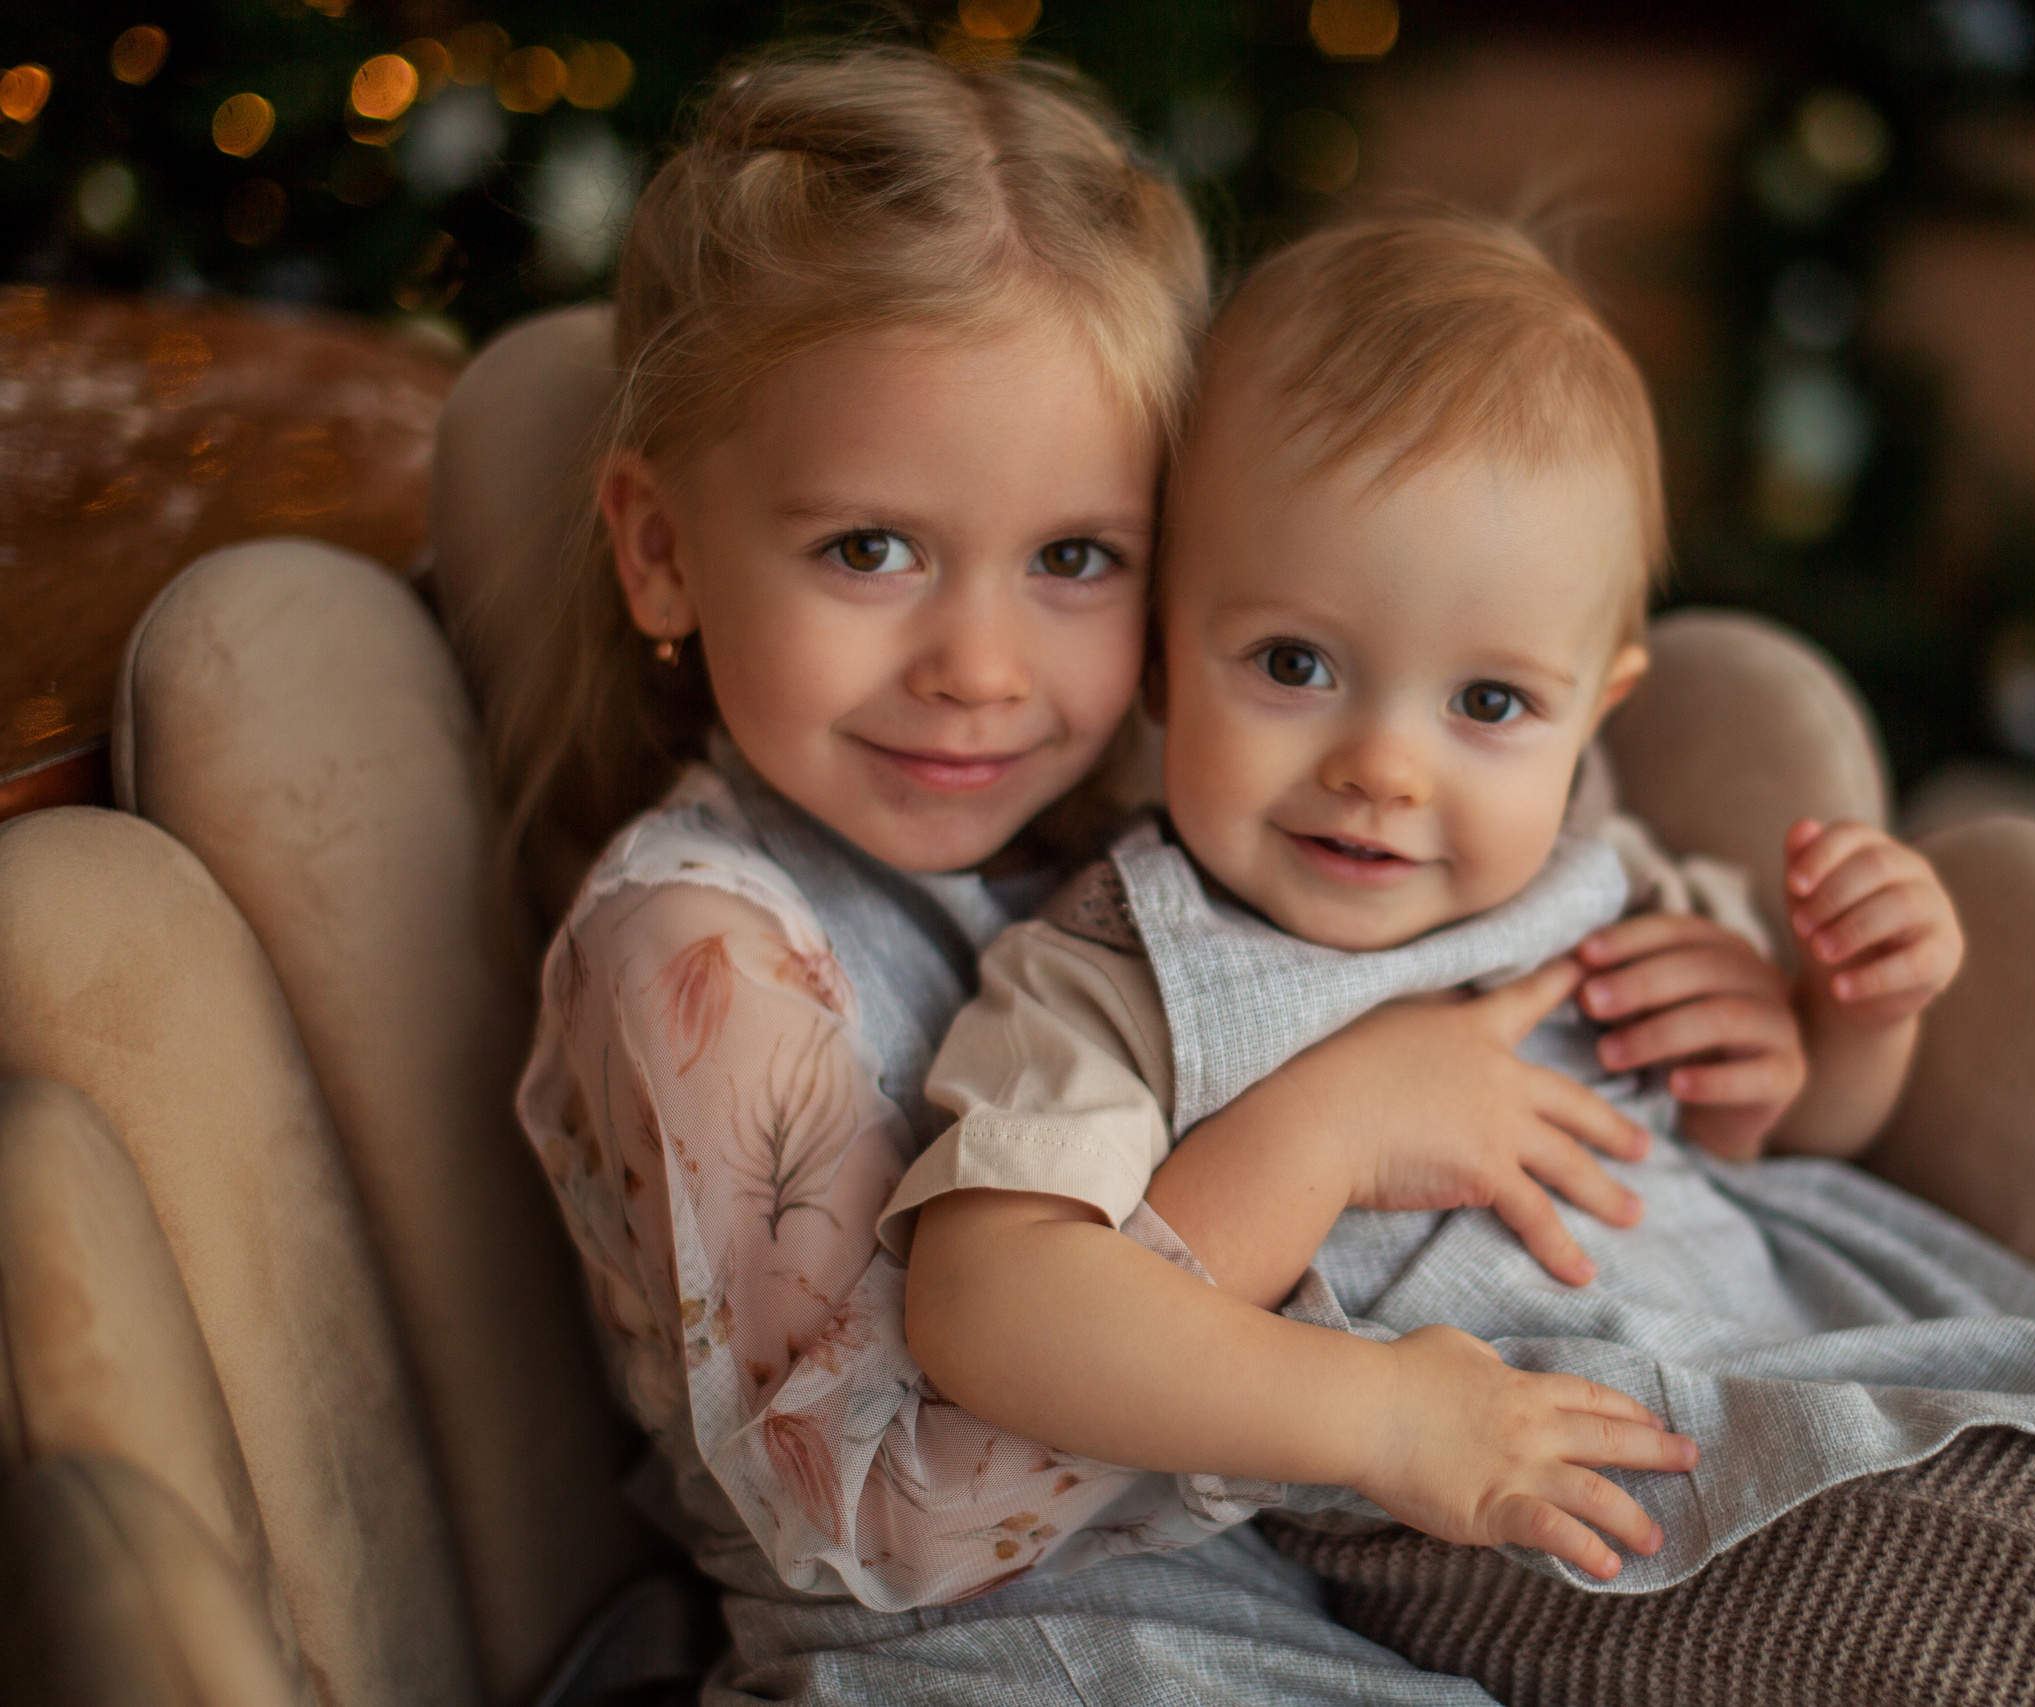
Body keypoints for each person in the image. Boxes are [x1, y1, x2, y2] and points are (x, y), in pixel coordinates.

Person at [894, 211, 2035, 1702]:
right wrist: (1373, 1343)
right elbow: (987, 1307)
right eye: (1294, 665)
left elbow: (1784, 1136)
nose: (1386, 768)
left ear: (1595, 712)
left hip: (1802, 1387)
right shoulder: (1122, 967)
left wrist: (1837, 1022)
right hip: (1561, 1523)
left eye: (1489, 703)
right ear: (1160, 653)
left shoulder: (1605, 882)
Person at [503, 45, 1734, 1707]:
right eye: (871, 549)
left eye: (1076, 558)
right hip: (992, 1666)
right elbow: (882, 1505)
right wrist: (1334, 1179)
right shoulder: (699, 952)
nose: (983, 666)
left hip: (1294, 1610)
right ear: (661, 548)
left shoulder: (1145, 823)